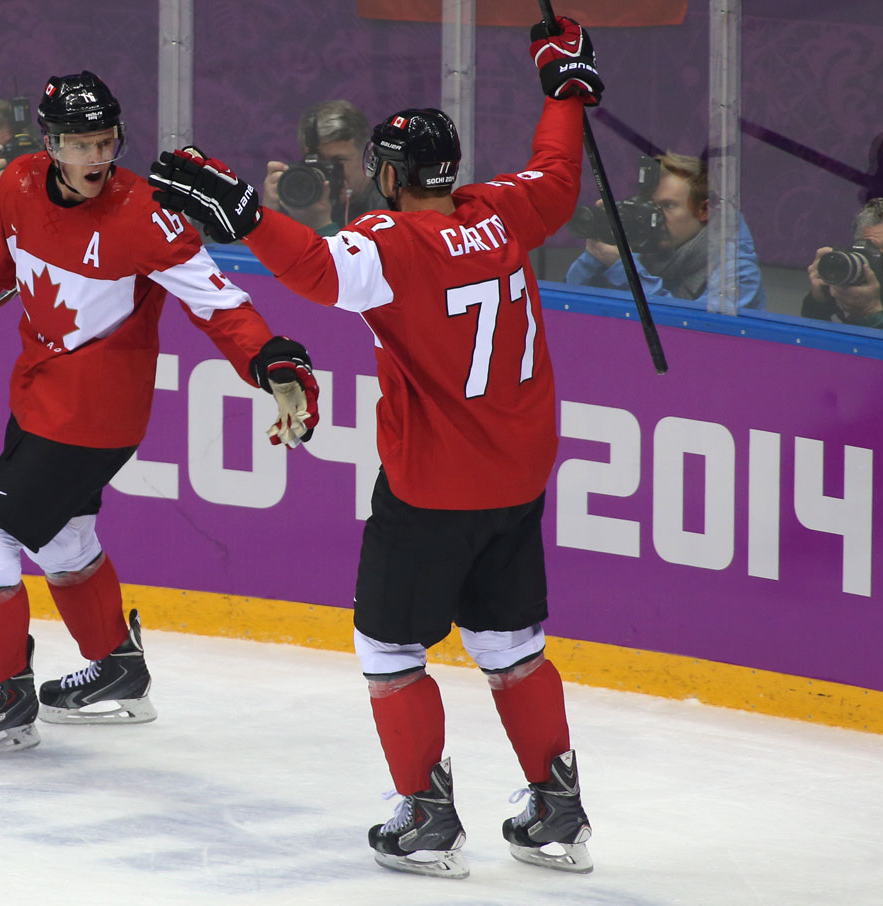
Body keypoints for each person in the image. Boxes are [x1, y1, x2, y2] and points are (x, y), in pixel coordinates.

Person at [150, 17, 602, 880]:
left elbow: (317, 272)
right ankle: (558, 809)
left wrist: (245, 211)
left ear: (392, 175)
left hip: (432, 487)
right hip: (517, 477)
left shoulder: (396, 245)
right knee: (510, 644)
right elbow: (557, 173)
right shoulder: (498, 214)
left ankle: (428, 818)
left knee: (390, 652)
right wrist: (564, 90)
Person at [0, 71, 321, 759]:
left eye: (107, 142)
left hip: (93, 414)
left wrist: (270, 362)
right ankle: (117, 668)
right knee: (61, 539)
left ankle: (6, 693)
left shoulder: (146, 215)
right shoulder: (20, 183)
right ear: (50, 143)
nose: (96, 158)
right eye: (81, 144)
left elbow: (219, 303)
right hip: (38, 395)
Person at [565, 151, 767, 310]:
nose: (655, 217)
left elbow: (695, 332)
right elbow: (568, 302)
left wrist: (626, 269)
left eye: (668, 206)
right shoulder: (646, 251)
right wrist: (600, 244)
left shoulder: (739, 274)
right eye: (649, 205)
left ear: (704, 210)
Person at [261, 100, 380, 236]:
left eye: (338, 160)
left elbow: (363, 257)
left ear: (368, 157)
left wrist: (320, 225)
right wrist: (269, 219)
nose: (325, 171)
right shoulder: (298, 199)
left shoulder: (390, 206)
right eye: (315, 161)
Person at [800, 196, 883, 330]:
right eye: (874, 252)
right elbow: (810, 346)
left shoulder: (868, 303)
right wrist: (818, 304)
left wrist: (871, 312)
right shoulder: (859, 289)